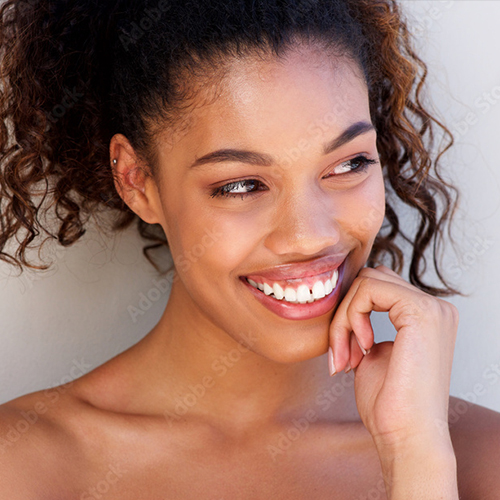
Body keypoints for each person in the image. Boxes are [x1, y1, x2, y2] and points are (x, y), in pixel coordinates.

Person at [0, 0, 499, 498]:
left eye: (349, 165)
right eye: (240, 186)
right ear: (138, 181)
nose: (310, 237)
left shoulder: (477, 457)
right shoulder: (23, 463)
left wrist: (415, 456)